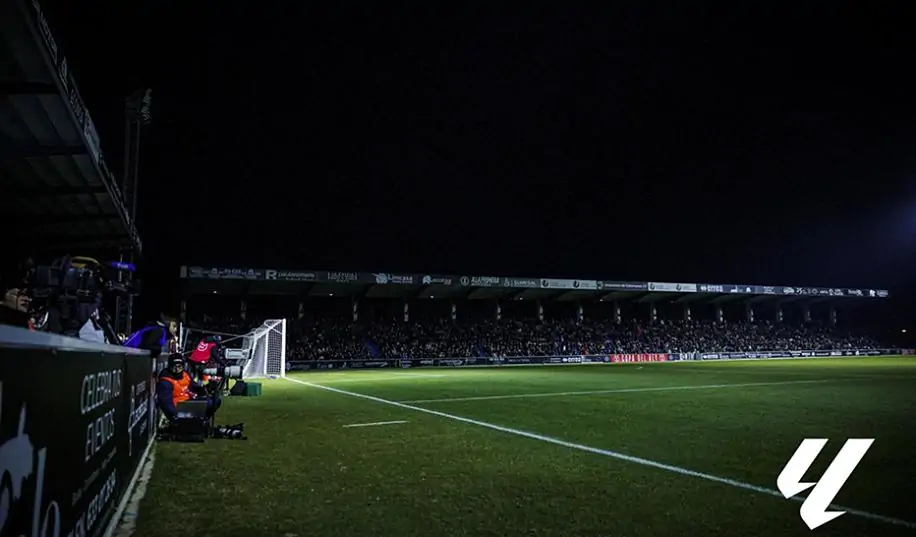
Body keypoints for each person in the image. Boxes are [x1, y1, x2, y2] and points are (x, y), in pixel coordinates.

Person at [155, 354, 221, 422]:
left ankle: (203, 420)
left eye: (179, 367)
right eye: (174, 367)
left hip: (188, 401)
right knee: (209, 403)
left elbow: (196, 388)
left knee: (216, 400)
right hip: (178, 407)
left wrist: (208, 387)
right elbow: (166, 404)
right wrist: (175, 416)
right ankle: (193, 422)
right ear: (170, 367)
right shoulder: (166, 381)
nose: (177, 370)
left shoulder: (185, 375)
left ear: (183, 366)